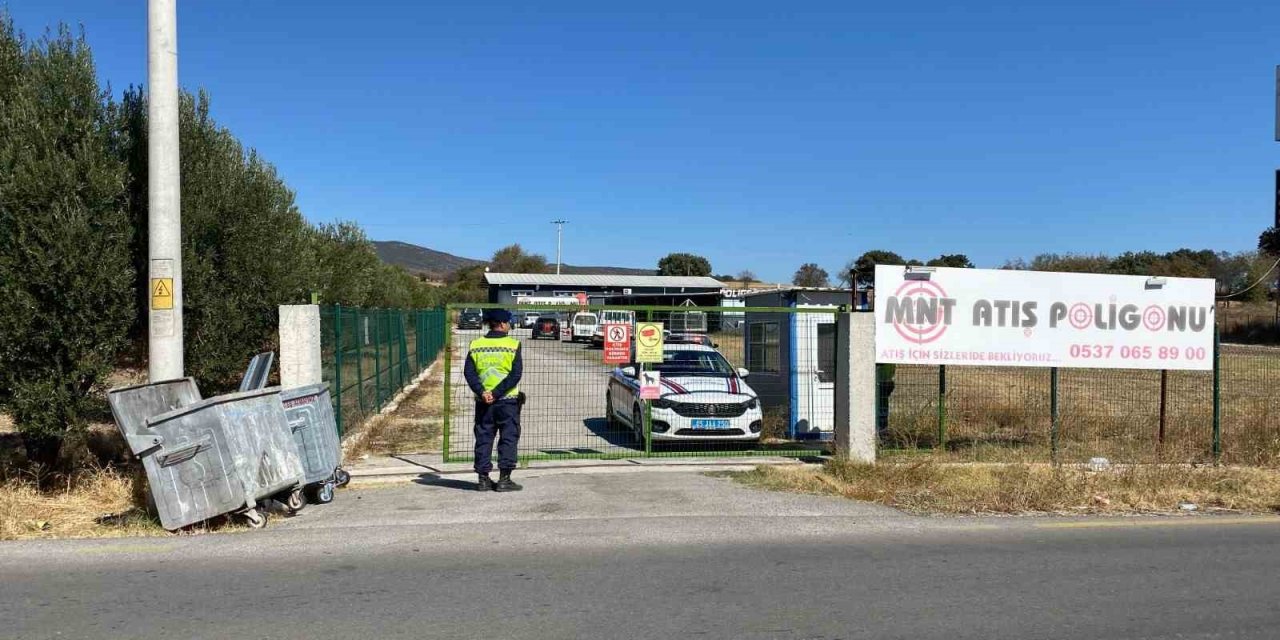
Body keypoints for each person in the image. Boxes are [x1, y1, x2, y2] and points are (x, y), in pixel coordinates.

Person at [463, 309, 524, 492]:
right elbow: (515, 375)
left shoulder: (476, 345)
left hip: (484, 403)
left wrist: (483, 392)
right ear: (503, 324)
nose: (510, 326)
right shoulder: (513, 345)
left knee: (483, 437)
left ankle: (483, 479)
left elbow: (469, 373)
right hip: (507, 401)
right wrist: (496, 393)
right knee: (508, 437)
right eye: (509, 323)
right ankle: (504, 479)